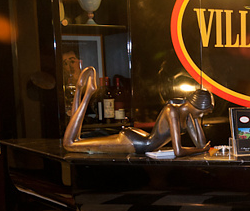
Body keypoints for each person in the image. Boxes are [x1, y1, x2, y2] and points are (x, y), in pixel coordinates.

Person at [63, 67, 212, 156]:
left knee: (77, 141)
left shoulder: (188, 116)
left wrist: (197, 120)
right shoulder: (172, 111)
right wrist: (199, 150)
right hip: (136, 143)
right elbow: (178, 151)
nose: (201, 116)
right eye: (201, 112)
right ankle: (88, 93)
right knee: (70, 144)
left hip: (141, 139)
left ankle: (79, 89)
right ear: (194, 105)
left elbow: (201, 144)